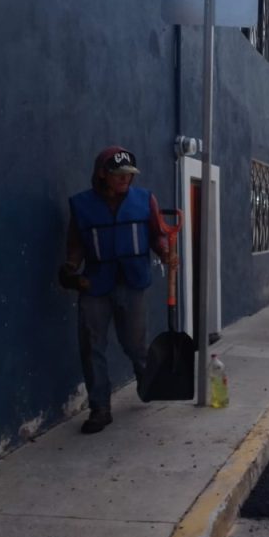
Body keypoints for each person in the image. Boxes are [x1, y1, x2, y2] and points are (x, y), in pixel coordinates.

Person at [61, 147, 174, 434]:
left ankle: (146, 380)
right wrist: (71, 266)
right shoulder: (82, 205)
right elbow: (76, 243)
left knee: (135, 345)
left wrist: (164, 252)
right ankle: (100, 408)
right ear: (102, 174)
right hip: (95, 284)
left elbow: (156, 233)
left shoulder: (144, 199)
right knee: (91, 347)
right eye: (118, 173)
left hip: (133, 282)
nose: (125, 179)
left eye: (129, 174)